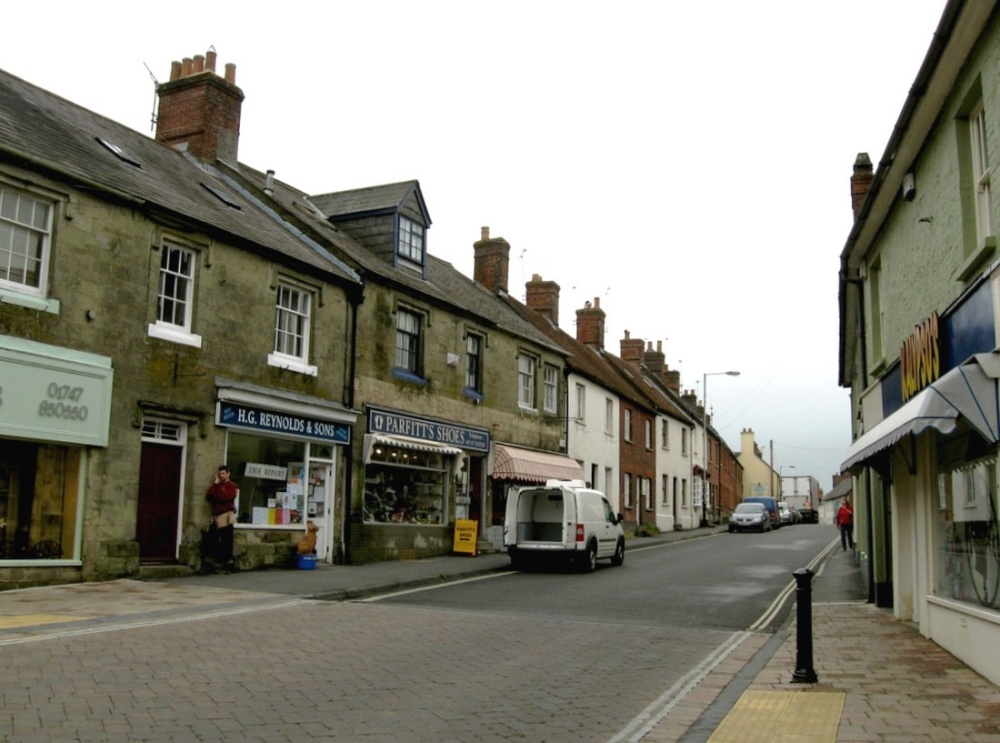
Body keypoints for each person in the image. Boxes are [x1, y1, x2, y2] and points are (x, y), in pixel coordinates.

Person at [204, 464, 238, 572]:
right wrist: (215, 483)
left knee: (226, 540)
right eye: (220, 474)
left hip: (226, 515)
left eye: (223, 473)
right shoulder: (217, 485)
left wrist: (217, 495)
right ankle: (215, 561)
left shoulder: (232, 486)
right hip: (217, 516)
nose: (221, 475)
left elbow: (224, 497)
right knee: (212, 538)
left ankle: (227, 562)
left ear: (228, 474)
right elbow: (209, 496)